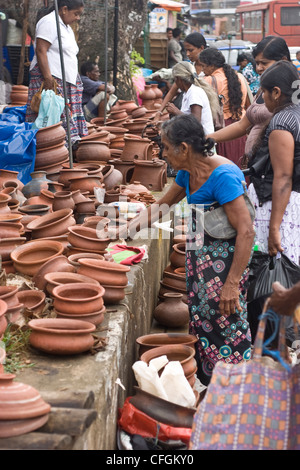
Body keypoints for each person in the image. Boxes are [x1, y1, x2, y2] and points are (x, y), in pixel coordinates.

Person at [116, 114, 255, 386]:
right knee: (204, 320)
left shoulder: (222, 175)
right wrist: (123, 232)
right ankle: (209, 385)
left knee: (227, 323)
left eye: (166, 147)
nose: (163, 153)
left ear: (184, 148)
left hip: (225, 266)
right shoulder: (187, 171)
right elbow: (160, 206)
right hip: (201, 260)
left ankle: (237, 390)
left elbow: (247, 232)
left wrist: (232, 284)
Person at [207, 36, 291, 169]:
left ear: (283, 61)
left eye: (264, 63)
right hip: (256, 167)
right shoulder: (262, 90)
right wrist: (210, 137)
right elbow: (242, 125)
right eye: (257, 63)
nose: (259, 68)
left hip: (275, 169)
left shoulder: (293, 93)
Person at [247, 60, 300, 266]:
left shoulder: (282, 123)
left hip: (280, 208)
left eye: (264, 92)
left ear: (276, 92)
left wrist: (274, 228)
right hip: (293, 204)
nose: (263, 98)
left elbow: (283, 177)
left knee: (276, 270)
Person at [25, 0, 87, 147]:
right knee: (51, 114)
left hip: (67, 78)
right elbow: (41, 50)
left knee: (65, 114)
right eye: (76, 13)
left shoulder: (66, 27)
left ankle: (69, 147)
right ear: (64, 9)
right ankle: (51, 149)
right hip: (52, 78)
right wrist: (47, 78)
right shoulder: (49, 22)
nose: (78, 18)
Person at [198, 47, 249, 167]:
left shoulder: (208, 80)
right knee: (239, 166)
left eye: (203, 66)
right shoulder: (240, 77)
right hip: (241, 129)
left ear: (211, 66)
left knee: (223, 167)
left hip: (222, 130)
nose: (203, 70)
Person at [153, 33, 208, 122]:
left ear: (201, 48)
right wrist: (159, 113)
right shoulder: (189, 68)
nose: (188, 54)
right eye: (186, 50)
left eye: (191, 50)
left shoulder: (209, 70)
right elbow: (171, 92)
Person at [162, 61, 218, 135]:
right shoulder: (187, 92)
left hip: (203, 142)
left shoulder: (194, 93)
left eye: (174, 80)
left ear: (179, 79)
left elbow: (195, 122)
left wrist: (176, 111)